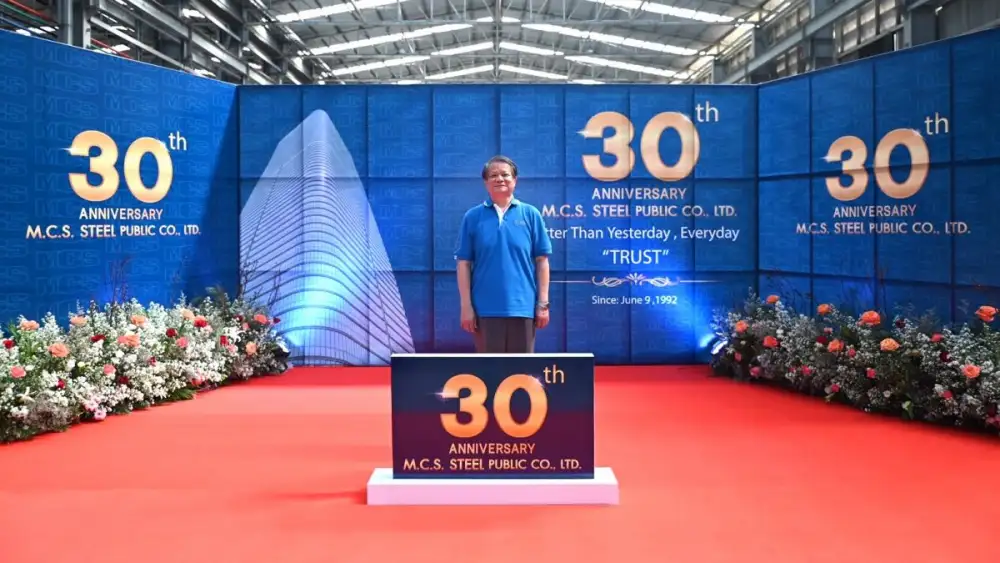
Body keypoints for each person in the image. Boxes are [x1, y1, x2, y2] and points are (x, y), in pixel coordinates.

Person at [454, 155, 552, 353]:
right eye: (493, 175)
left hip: (523, 308)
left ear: (515, 180)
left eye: (505, 175)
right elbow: (463, 263)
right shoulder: (473, 217)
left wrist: (542, 304)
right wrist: (466, 306)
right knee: (490, 369)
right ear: (485, 182)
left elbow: (542, 261)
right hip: (484, 310)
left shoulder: (530, 214)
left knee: (521, 370)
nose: (500, 179)